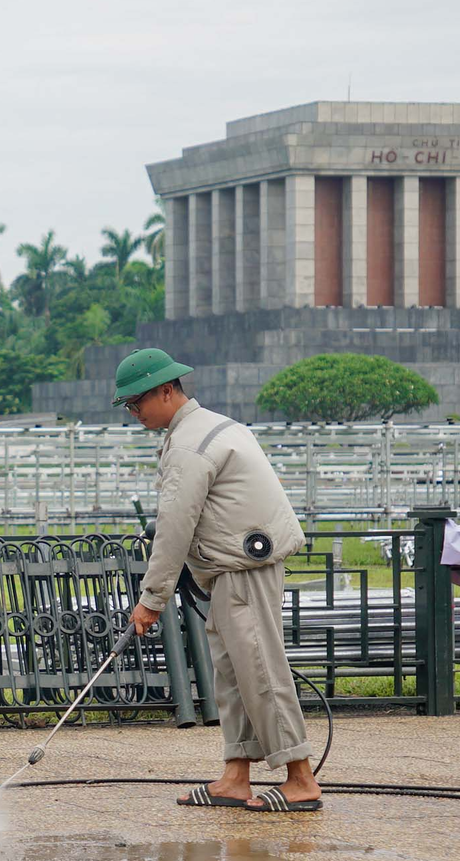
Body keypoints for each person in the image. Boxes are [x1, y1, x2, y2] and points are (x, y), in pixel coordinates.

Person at [117, 348, 321, 813]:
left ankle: (301, 779)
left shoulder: (191, 444)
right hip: (231, 570)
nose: (134, 413)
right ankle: (236, 775)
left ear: (165, 390)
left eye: (136, 403)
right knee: (233, 674)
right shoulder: (209, 426)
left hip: (242, 571)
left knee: (261, 670)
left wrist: (151, 599)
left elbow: (174, 525)